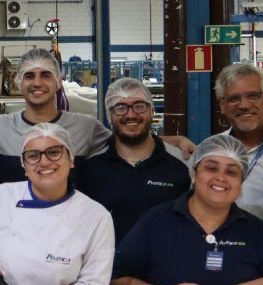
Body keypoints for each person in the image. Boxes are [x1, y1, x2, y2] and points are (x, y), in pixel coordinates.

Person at [111, 134, 263, 285]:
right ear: (194, 173)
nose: (220, 177)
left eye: (231, 172)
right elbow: (117, 281)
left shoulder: (255, 230)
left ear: (241, 183)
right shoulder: (157, 220)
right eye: (211, 168)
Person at [0, 123, 115, 285]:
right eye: (33, 155)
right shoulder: (0, 196)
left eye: (54, 152)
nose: (44, 162)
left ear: (71, 159)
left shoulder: (96, 217)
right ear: (24, 165)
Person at [74, 77, 190, 239]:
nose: (131, 114)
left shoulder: (182, 163)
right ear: (110, 116)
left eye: (139, 106)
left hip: (167, 263)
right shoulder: (92, 168)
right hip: (111, 263)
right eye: (121, 107)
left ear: (152, 111)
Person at [0, 47, 111, 183]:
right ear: (19, 82)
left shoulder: (86, 128)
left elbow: (126, 150)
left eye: (46, 75)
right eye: (29, 76)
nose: (37, 83)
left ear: (58, 82)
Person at [215, 62, 263, 219]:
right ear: (222, 105)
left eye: (253, 96)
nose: (244, 105)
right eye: (234, 98)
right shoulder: (213, 148)